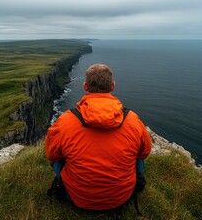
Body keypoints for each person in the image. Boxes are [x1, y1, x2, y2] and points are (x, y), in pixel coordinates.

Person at [45, 63, 152, 211]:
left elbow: (52, 154)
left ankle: (74, 184)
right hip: (122, 197)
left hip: (78, 199)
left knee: (55, 157)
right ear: (113, 86)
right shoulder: (132, 120)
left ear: (85, 86)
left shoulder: (65, 121)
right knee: (138, 156)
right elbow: (144, 152)